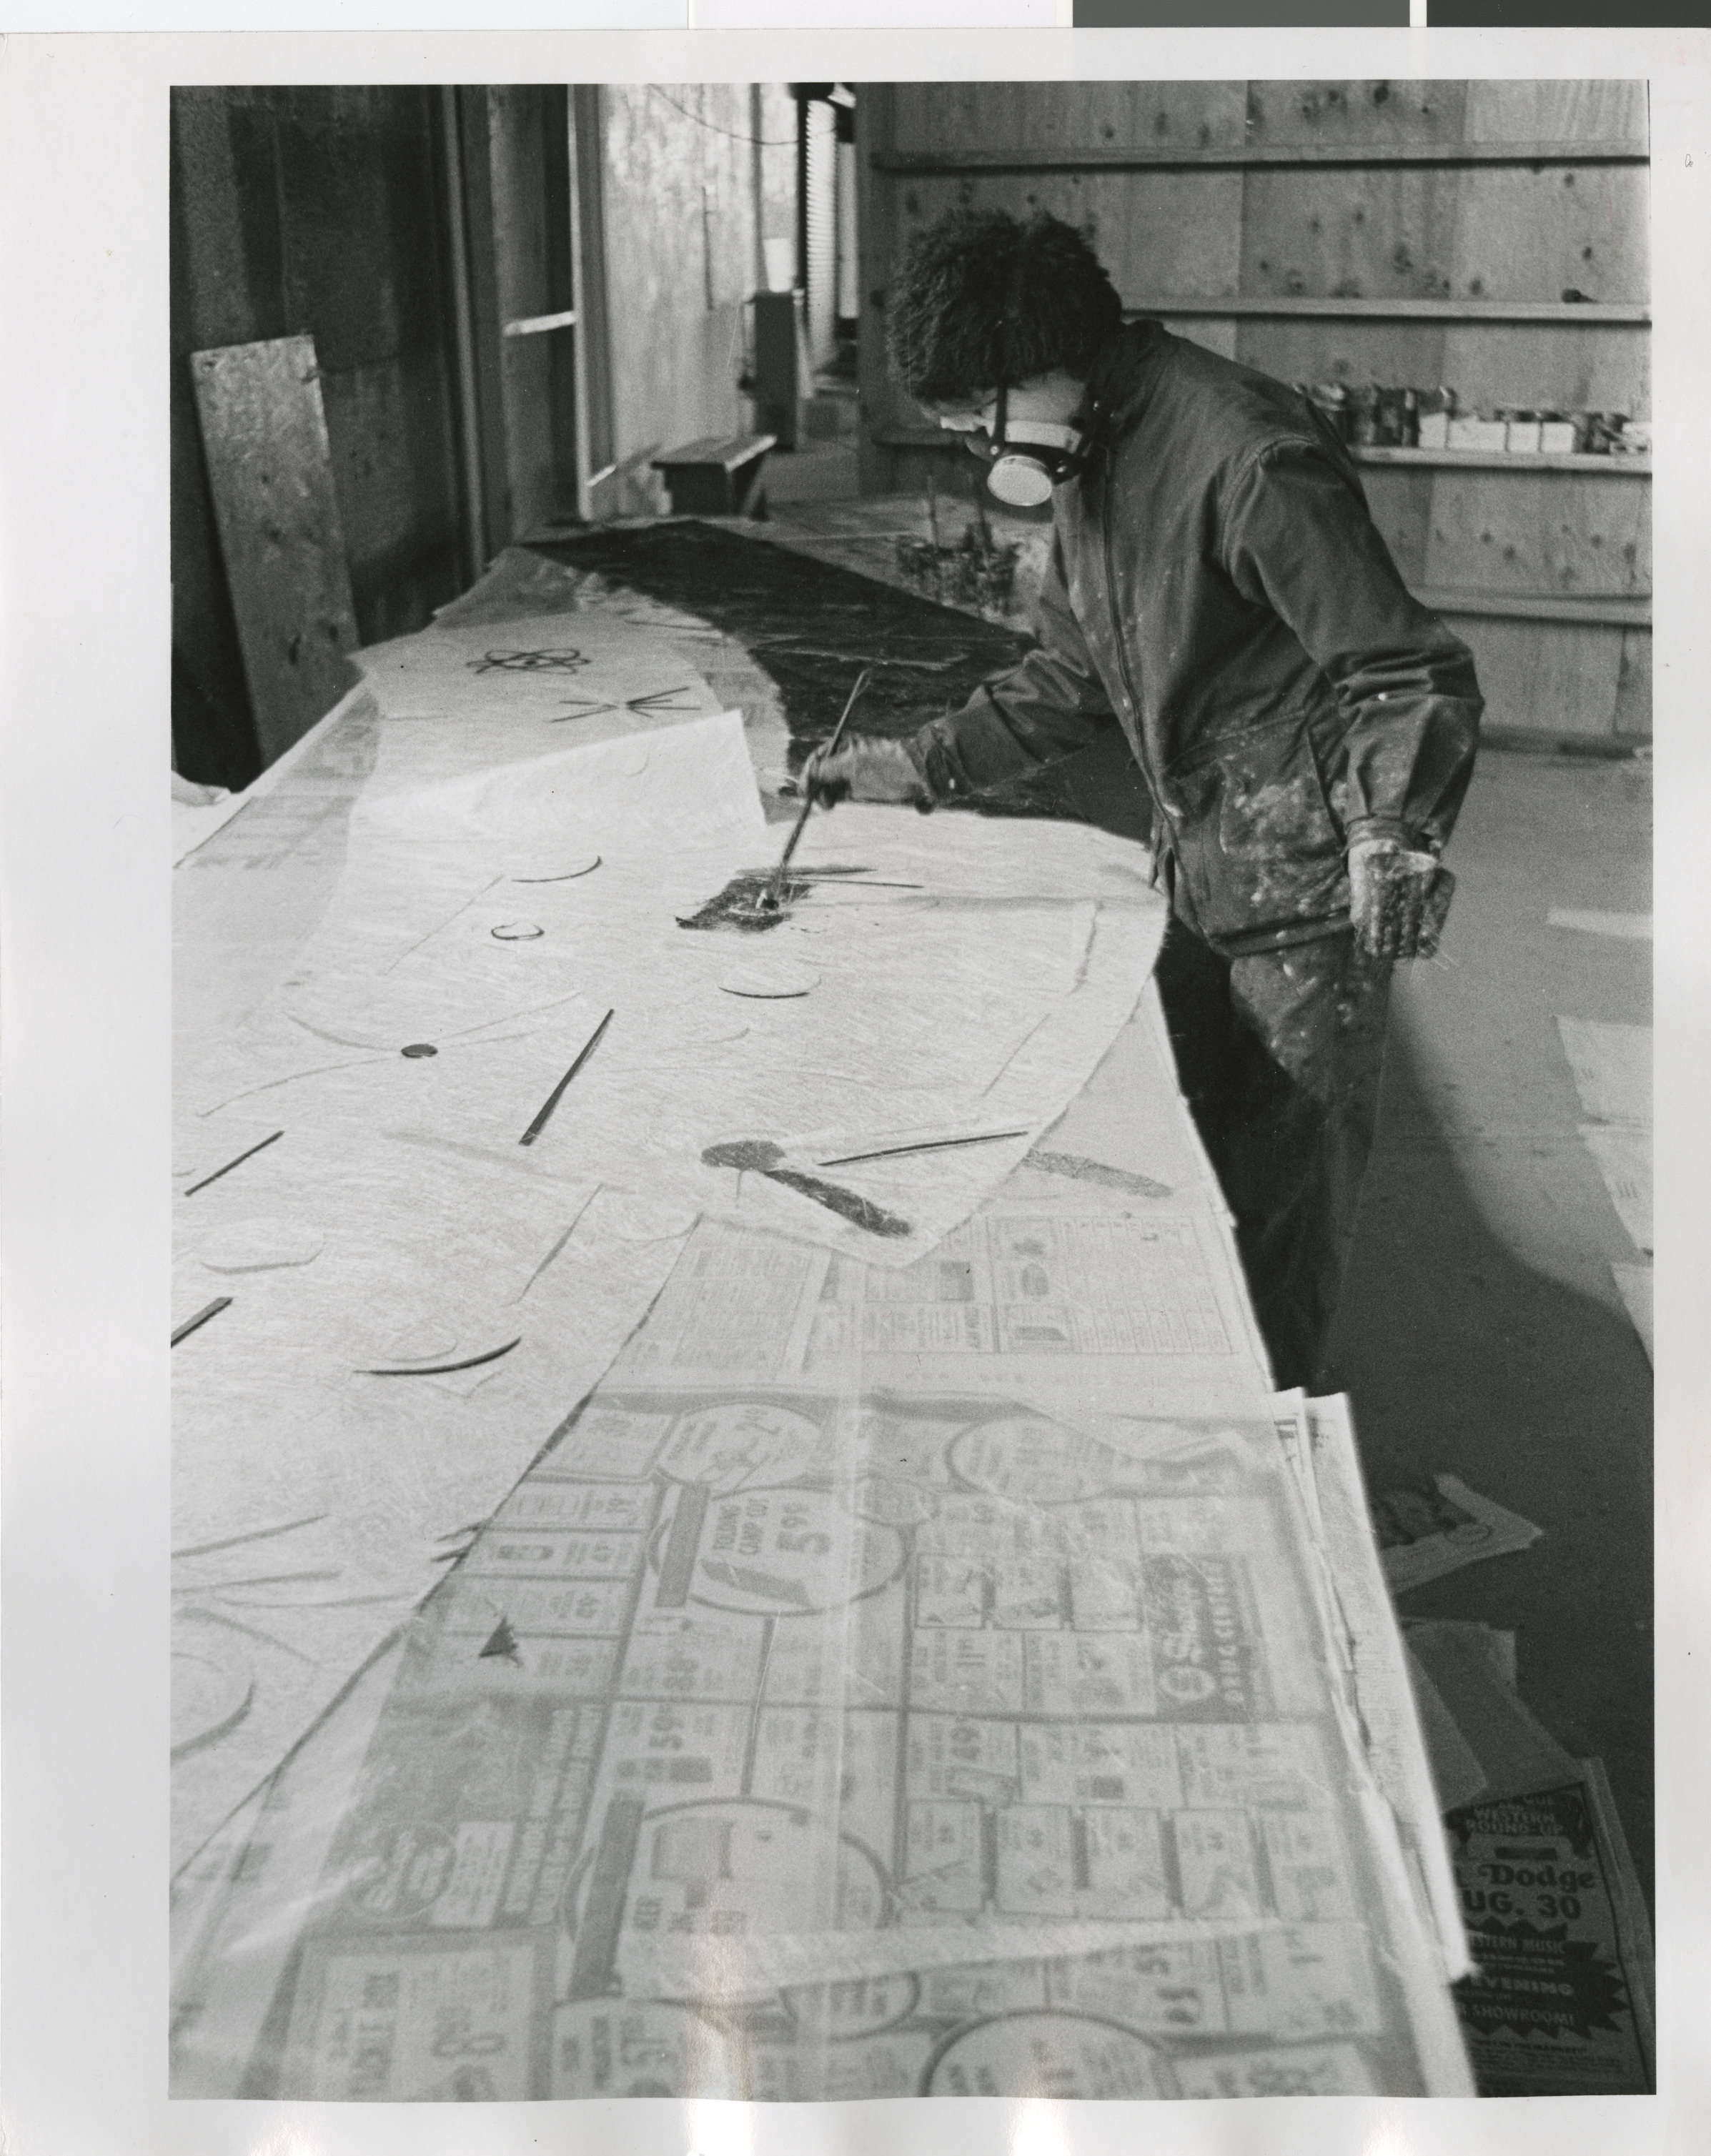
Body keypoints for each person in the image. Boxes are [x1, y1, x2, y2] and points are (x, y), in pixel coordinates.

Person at [805, 208, 1482, 1391]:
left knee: (1283, 1193)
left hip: (1307, 890)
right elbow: (1071, 677)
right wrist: (913, 766)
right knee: (1172, 1142)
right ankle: (1190, 1374)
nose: (975, 446)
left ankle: (1268, 1432)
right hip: (1194, 856)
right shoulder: (1086, 451)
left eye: (977, 414)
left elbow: (1402, 668)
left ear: (1047, 361)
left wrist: (1393, 825)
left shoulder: (1247, 457)